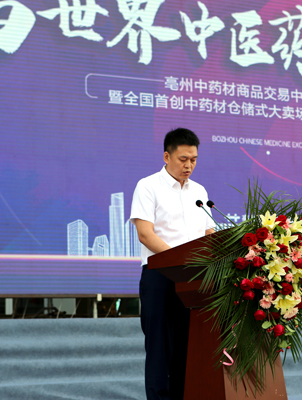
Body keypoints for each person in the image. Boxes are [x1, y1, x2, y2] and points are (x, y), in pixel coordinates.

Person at [130, 128, 216, 400]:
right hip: (160, 276)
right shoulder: (148, 186)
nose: (189, 165)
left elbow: (209, 233)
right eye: (183, 159)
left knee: (188, 348)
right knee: (159, 348)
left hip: (194, 279)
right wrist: (179, 262)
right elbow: (145, 234)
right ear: (167, 156)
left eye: (194, 159)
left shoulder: (199, 191)